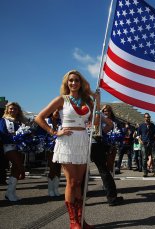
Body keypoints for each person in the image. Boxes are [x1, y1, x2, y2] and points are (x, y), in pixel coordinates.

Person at [35, 70, 95, 229]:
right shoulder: (61, 99)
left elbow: (93, 120)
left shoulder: (86, 100)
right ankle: (73, 221)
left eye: (77, 80)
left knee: (79, 182)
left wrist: (98, 102)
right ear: (66, 83)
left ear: (81, 83)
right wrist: (54, 132)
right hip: (67, 141)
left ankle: (81, 220)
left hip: (82, 140)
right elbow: (39, 117)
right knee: (71, 181)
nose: (74, 83)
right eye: (71, 81)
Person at [89, 105, 123, 206]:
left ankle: (78, 199)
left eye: (107, 111)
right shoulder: (95, 114)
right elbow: (109, 125)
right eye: (103, 110)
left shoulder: (88, 113)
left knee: (105, 169)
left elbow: (111, 126)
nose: (105, 112)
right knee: (103, 171)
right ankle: (112, 198)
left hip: (102, 145)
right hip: (94, 144)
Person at [0, 102, 27, 201]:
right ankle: (22, 172)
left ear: (18, 111)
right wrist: (15, 137)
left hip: (20, 147)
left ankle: (10, 193)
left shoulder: (20, 122)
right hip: (9, 147)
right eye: (11, 108)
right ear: (7, 109)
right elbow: (3, 133)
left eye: (15, 109)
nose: (13, 110)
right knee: (18, 165)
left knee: (15, 168)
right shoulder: (3, 120)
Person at [43, 110, 62, 197]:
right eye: (56, 111)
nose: (57, 112)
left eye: (59, 111)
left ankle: (56, 189)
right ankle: (50, 189)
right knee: (53, 167)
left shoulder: (62, 122)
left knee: (58, 168)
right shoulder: (46, 121)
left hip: (61, 147)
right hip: (50, 148)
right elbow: (39, 133)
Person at [137, 113, 155, 177]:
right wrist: (140, 141)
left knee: (154, 158)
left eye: (148, 117)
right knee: (144, 158)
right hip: (144, 143)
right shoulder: (141, 125)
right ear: (144, 118)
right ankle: (145, 172)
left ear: (150, 118)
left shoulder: (152, 125)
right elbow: (138, 135)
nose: (147, 118)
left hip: (152, 143)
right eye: (146, 117)